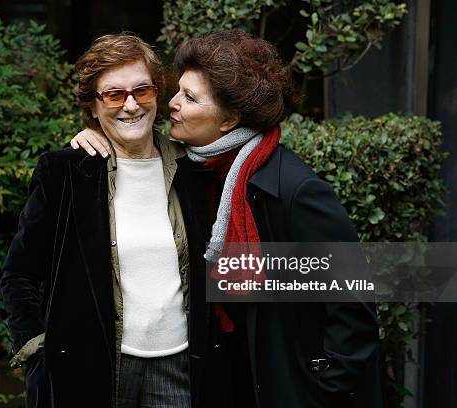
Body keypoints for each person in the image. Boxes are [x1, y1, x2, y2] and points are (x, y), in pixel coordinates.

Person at [71, 30, 382, 408]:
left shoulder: (295, 191)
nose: (173, 103)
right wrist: (96, 129)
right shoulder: (198, 171)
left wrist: (320, 389)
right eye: (177, 90)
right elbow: (129, 131)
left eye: (190, 97)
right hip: (229, 381)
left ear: (229, 119)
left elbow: (353, 305)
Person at [0, 34, 228, 408]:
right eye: (114, 95)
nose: (131, 105)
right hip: (88, 371)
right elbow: (18, 273)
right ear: (93, 104)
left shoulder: (195, 170)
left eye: (142, 90)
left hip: (180, 368)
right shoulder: (65, 173)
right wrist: (39, 348)